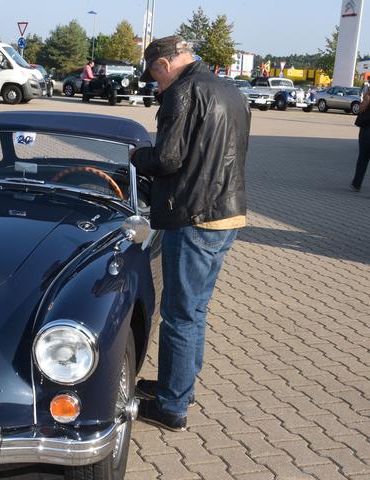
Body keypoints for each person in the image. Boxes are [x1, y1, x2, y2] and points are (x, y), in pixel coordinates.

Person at [130, 36, 250, 432]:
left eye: (154, 75)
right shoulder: (227, 88)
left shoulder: (181, 93)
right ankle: (178, 386)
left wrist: (136, 157)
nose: (155, 84)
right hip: (227, 212)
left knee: (180, 315)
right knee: (196, 309)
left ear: (163, 64)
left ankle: (171, 407)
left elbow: (167, 158)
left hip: (193, 215)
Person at [352, 88, 370, 192]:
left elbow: (360, 111)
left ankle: (356, 183)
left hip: (366, 132)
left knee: (363, 158)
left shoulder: (367, 99)